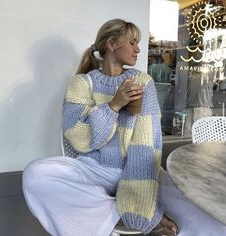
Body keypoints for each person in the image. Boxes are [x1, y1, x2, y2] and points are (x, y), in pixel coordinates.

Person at [22, 19, 226, 236]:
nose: (138, 49)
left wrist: (140, 208)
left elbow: (146, 145)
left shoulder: (141, 81)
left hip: (141, 167)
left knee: (205, 213)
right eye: (132, 42)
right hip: (93, 168)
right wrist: (113, 105)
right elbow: (79, 139)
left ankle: (121, 215)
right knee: (37, 174)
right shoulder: (82, 83)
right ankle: (113, 218)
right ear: (112, 44)